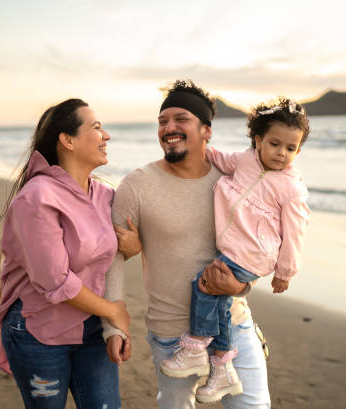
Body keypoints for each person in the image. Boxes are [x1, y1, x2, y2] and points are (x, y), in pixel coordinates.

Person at [102, 80, 271, 409]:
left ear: (206, 130)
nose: (169, 128)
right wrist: (113, 326)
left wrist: (241, 284)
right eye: (163, 122)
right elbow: (113, 259)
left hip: (232, 325)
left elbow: (259, 243)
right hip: (172, 336)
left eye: (181, 119)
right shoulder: (137, 185)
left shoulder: (231, 180)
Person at [160, 97, 311, 403]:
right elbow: (219, 159)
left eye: (291, 148)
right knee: (220, 305)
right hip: (235, 249)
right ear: (258, 140)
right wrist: (197, 145)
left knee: (204, 286)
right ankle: (222, 369)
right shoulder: (245, 161)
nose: (282, 154)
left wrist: (285, 272)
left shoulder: (291, 188)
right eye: (274, 144)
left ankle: (197, 346)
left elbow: (295, 233)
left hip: (254, 254)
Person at [0, 98, 131, 409]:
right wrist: (114, 312)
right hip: (39, 330)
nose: (106, 135)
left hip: (92, 327)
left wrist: (132, 246)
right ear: (67, 140)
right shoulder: (36, 198)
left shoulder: (105, 194)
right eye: (96, 128)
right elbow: (55, 281)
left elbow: (109, 254)